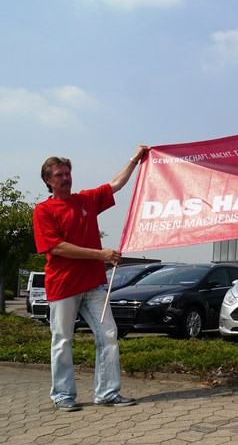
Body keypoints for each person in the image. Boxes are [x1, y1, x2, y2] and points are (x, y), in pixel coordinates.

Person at [33, 145, 150, 412]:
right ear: (48, 180)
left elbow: (115, 185)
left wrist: (135, 159)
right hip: (64, 286)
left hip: (94, 284)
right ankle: (63, 395)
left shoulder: (85, 200)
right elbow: (57, 247)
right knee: (62, 340)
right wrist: (101, 254)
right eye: (60, 175)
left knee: (108, 333)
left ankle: (107, 393)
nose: (66, 178)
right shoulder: (43, 211)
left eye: (68, 173)